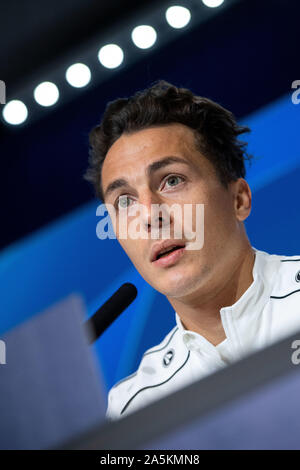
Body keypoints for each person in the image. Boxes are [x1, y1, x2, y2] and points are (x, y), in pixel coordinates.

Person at [84, 80, 300, 421]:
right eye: (124, 201)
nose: (150, 215)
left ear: (238, 198)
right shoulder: (133, 410)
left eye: (172, 180)